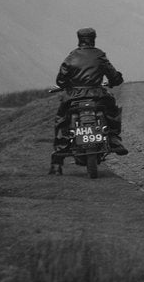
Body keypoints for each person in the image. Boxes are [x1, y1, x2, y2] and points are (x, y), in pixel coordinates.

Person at [50, 27, 127, 173]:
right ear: (94, 38)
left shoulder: (71, 57)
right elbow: (114, 76)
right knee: (112, 110)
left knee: (61, 120)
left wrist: (69, 85)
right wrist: (115, 80)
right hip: (97, 94)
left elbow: (60, 80)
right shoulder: (99, 55)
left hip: (73, 96)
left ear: (79, 39)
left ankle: (59, 155)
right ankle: (114, 138)